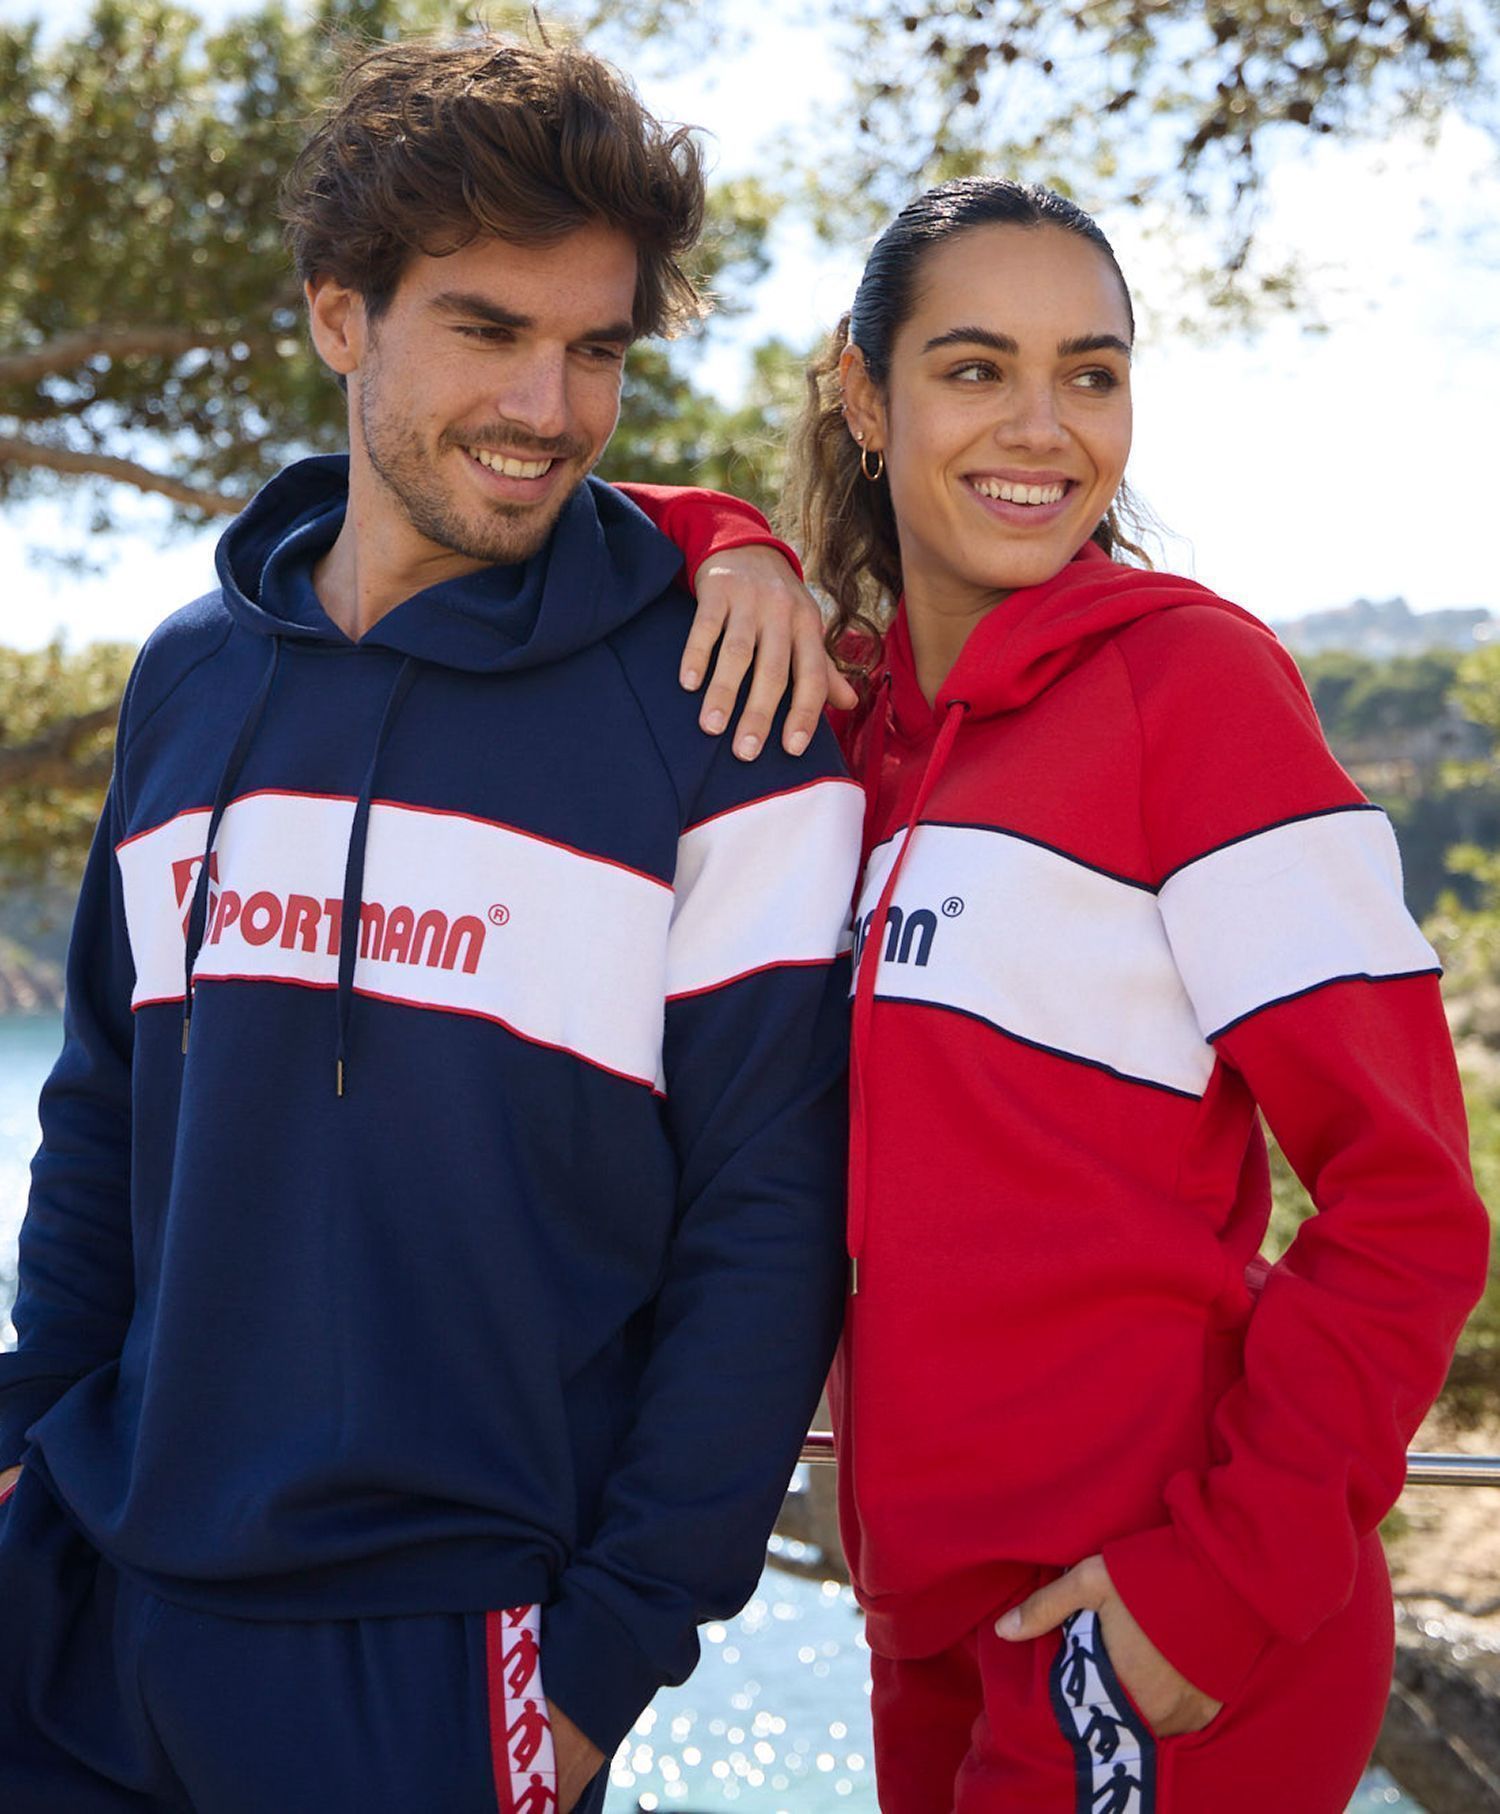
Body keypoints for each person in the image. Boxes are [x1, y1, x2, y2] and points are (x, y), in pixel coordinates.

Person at [0, 35, 863, 1814]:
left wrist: (602, 1663)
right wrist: (25, 1451)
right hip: (87, 1616)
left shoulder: (730, 720)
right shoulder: (189, 678)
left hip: (444, 1669)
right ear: (342, 317)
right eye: (488, 329)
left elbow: (767, 1226)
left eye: (596, 349)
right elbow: (101, 1115)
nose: (548, 406)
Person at [651, 179, 1491, 1811]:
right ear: (864, 395)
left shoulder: (1198, 690)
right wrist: (727, 539)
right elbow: (557, 503)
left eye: (1091, 373)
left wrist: (1219, 1585)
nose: (1044, 427)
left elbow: (1409, 1202)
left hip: (1154, 1625)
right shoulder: (850, 741)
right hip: (929, 1625)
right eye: (976, 367)